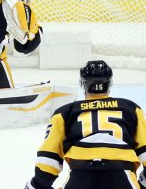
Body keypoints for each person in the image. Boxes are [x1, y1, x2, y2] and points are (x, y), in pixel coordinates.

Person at [24, 60, 146, 189]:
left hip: (80, 177)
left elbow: (49, 157)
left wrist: (37, 184)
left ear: (83, 84)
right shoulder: (131, 108)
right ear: (109, 84)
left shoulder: (65, 112)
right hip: (122, 176)